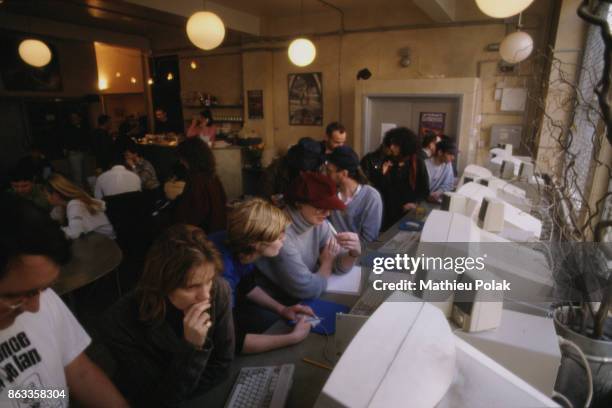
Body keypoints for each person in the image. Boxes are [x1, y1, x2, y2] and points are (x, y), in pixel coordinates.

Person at [0, 193, 129, 407]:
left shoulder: (40, 296)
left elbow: (78, 372)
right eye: (14, 296)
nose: (36, 307)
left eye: (43, 289)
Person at [101, 224, 234, 407]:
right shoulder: (119, 322)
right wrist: (192, 349)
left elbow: (223, 365)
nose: (205, 295)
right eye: (191, 287)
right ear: (162, 283)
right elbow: (156, 397)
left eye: (209, 280)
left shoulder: (219, 291)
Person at [209, 198, 314, 354]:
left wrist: (283, 309)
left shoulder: (241, 246)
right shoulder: (222, 276)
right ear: (256, 243)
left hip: (230, 307)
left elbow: (247, 286)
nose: (284, 239)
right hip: (209, 331)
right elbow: (229, 341)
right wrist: (292, 338)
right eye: (278, 236)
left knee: (272, 319)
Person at [255, 172, 362, 300]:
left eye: (329, 207)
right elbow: (307, 290)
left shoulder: (316, 223)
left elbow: (338, 266)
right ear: (298, 203)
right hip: (278, 305)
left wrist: (353, 253)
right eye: (321, 207)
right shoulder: (281, 235)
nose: (327, 213)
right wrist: (327, 263)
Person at [371, 127, 429, 230]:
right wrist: (383, 174)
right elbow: (379, 188)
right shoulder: (386, 161)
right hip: (387, 211)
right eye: (391, 144)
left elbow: (424, 190)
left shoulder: (417, 162)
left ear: (406, 146)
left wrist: (414, 203)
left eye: (396, 145)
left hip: (408, 211)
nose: (392, 147)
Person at [326, 146, 383, 243]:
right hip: (331, 253)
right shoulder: (328, 193)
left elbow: (369, 239)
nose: (326, 174)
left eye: (329, 171)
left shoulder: (371, 197)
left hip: (359, 254)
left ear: (343, 174)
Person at [174, 138, 227, 233]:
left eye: (182, 158)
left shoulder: (195, 180)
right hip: (218, 232)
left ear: (189, 158)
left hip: (202, 237)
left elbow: (193, 216)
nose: (181, 162)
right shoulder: (212, 176)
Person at [45, 173, 115, 240]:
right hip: (100, 240)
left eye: (46, 195)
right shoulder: (65, 205)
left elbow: (75, 233)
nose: (46, 198)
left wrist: (55, 231)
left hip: (109, 243)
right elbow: (52, 217)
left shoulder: (74, 204)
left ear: (55, 195)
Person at [259, 137, 324, 203]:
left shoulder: (316, 171)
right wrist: (271, 200)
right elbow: (264, 198)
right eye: (302, 169)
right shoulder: (275, 170)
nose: (304, 173)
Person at [63, 112, 89, 187]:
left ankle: (87, 191)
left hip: (84, 152)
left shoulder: (84, 126)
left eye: (76, 117)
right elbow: (65, 140)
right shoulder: (67, 128)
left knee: (86, 173)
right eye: (72, 117)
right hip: (74, 153)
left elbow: (86, 138)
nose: (74, 119)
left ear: (80, 118)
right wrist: (65, 150)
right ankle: (79, 192)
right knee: (77, 175)